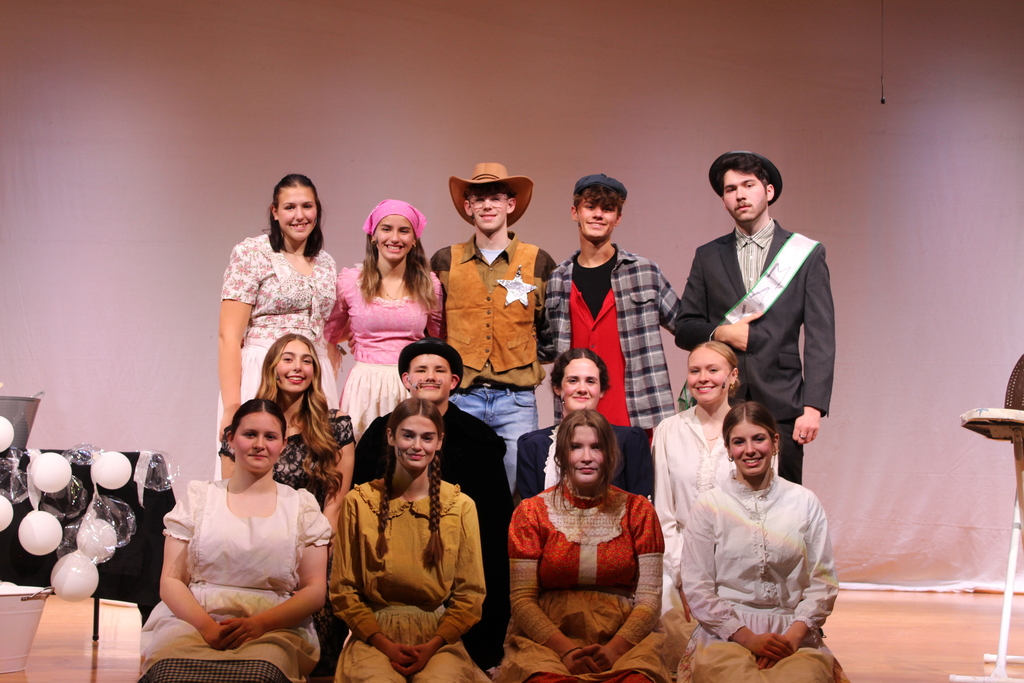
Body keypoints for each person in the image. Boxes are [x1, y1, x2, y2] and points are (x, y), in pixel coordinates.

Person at [140, 399, 332, 683]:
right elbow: (171, 580)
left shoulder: (301, 506)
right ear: (230, 438)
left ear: (283, 445)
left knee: (259, 675)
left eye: (270, 437)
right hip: (194, 620)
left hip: (274, 626)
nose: (259, 445)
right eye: (250, 434)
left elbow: (314, 590)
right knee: (169, 674)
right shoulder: (200, 498)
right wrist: (207, 628)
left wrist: (259, 625)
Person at [675, 152, 835, 485]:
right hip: (720, 400)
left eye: (748, 185)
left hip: (784, 400)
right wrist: (722, 333)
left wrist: (813, 408)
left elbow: (821, 336)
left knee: (784, 500)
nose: (740, 195)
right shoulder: (708, 255)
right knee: (722, 496)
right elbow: (684, 327)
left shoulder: (804, 254)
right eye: (730, 189)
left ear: (769, 191)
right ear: (724, 201)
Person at [353, 338, 513, 672]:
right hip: (389, 574)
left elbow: (495, 527)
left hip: (456, 575)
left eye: (439, 370)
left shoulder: (480, 439)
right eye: (421, 370)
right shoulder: (380, 433)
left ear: (453, 381)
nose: (429, 376)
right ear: (406, 379)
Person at [494, 409, 670, 683]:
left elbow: (649, 599)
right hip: (549, 639)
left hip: (622, 636)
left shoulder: (638, 511)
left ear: (610, 454)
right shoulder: (531, 512)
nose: (586, 457)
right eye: (576, 447)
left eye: (596, 447)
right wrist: (567, 651)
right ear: (561, 455)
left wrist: (614, 650)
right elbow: (522, 600)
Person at [219, 333, 355, 677]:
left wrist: (318, 549)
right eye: (288, 359)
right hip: (260, 535)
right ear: (272, 368)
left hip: (315, 541)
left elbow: (336, 501)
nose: (298, 367)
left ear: (315, 371)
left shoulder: (336, 424)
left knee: (322, 629)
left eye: (307, 360)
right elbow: (231, 494)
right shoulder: (245, 424)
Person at [679, 401, 846, 683]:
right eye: (739, 442)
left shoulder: (804, 502)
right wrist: (747, 638)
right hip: (727, 632)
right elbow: (697, 586)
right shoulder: (710, 505)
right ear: (728, 449)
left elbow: (823, 580)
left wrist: (792, 638)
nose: (750, 450)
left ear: (775, 441)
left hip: (792, 632)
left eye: (758, 438)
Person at [331, 398, 490, 683]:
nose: (417, 446)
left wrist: (433, 645)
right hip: (374, 634)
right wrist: (382, 643)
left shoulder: (460, 505)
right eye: (408, 435)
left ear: (439, 442)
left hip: (437, 637)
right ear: (391, 436)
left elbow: (471, 594)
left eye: (427, 437)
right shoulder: (359, 501)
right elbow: (344, 589)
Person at [430, 163, 557, 494]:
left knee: (518, 493)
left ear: (510, 204)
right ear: (467, 206)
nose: (487, 205)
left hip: (517, 401)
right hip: (461, 399)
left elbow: (550, 328)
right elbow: (433, 328)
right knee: (455, 495)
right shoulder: (445, 260)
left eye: (496, 197)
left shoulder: (538, 260)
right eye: (479, 198)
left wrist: (520, 351)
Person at [218, 174, 338, 475]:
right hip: (264, 369)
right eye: (289, 207)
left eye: (307, 206)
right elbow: (229, 337)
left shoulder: (326, 262)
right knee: (257, 464)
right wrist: (232, 406)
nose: (300, 215)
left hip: (313, 374)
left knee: (314, 468)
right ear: (275, 212)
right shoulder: (252, 253)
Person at [542, 174, 681, 434]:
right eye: (590, 206)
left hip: (637, 413)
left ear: (618, 218)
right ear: (575, 212)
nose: (598, 214)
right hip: (577, 415)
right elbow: (549, 346)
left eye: (607, 209)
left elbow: (684, 325)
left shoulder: (644, 272)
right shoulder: (558, 278)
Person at [652, 341, 740, 671]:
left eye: (713, 370)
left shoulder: (751, 429)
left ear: (732, 376)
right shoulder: (669, 430)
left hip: (736, 558)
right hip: (679, 556)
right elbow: (663, 512)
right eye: (695, 370)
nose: (703, 378)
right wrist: (685, 576)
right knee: (665, 608)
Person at [325, 199, 442, 439]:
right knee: (360, 452)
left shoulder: (428, 284)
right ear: (373, 235)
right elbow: (329, 335)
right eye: (386, 229)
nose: (395, 238)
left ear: (415, 239)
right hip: (364, 385)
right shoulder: (350, 282)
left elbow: (439, 340)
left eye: (404, 230)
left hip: (409, 384)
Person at [517, 348, 653, 500]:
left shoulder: (631, 441)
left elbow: (640, 508)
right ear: (557, 388)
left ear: (601, 390)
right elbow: (530, 510)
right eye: (573, 380)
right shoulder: (532, 445)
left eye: (590, 381)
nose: (582, 389)